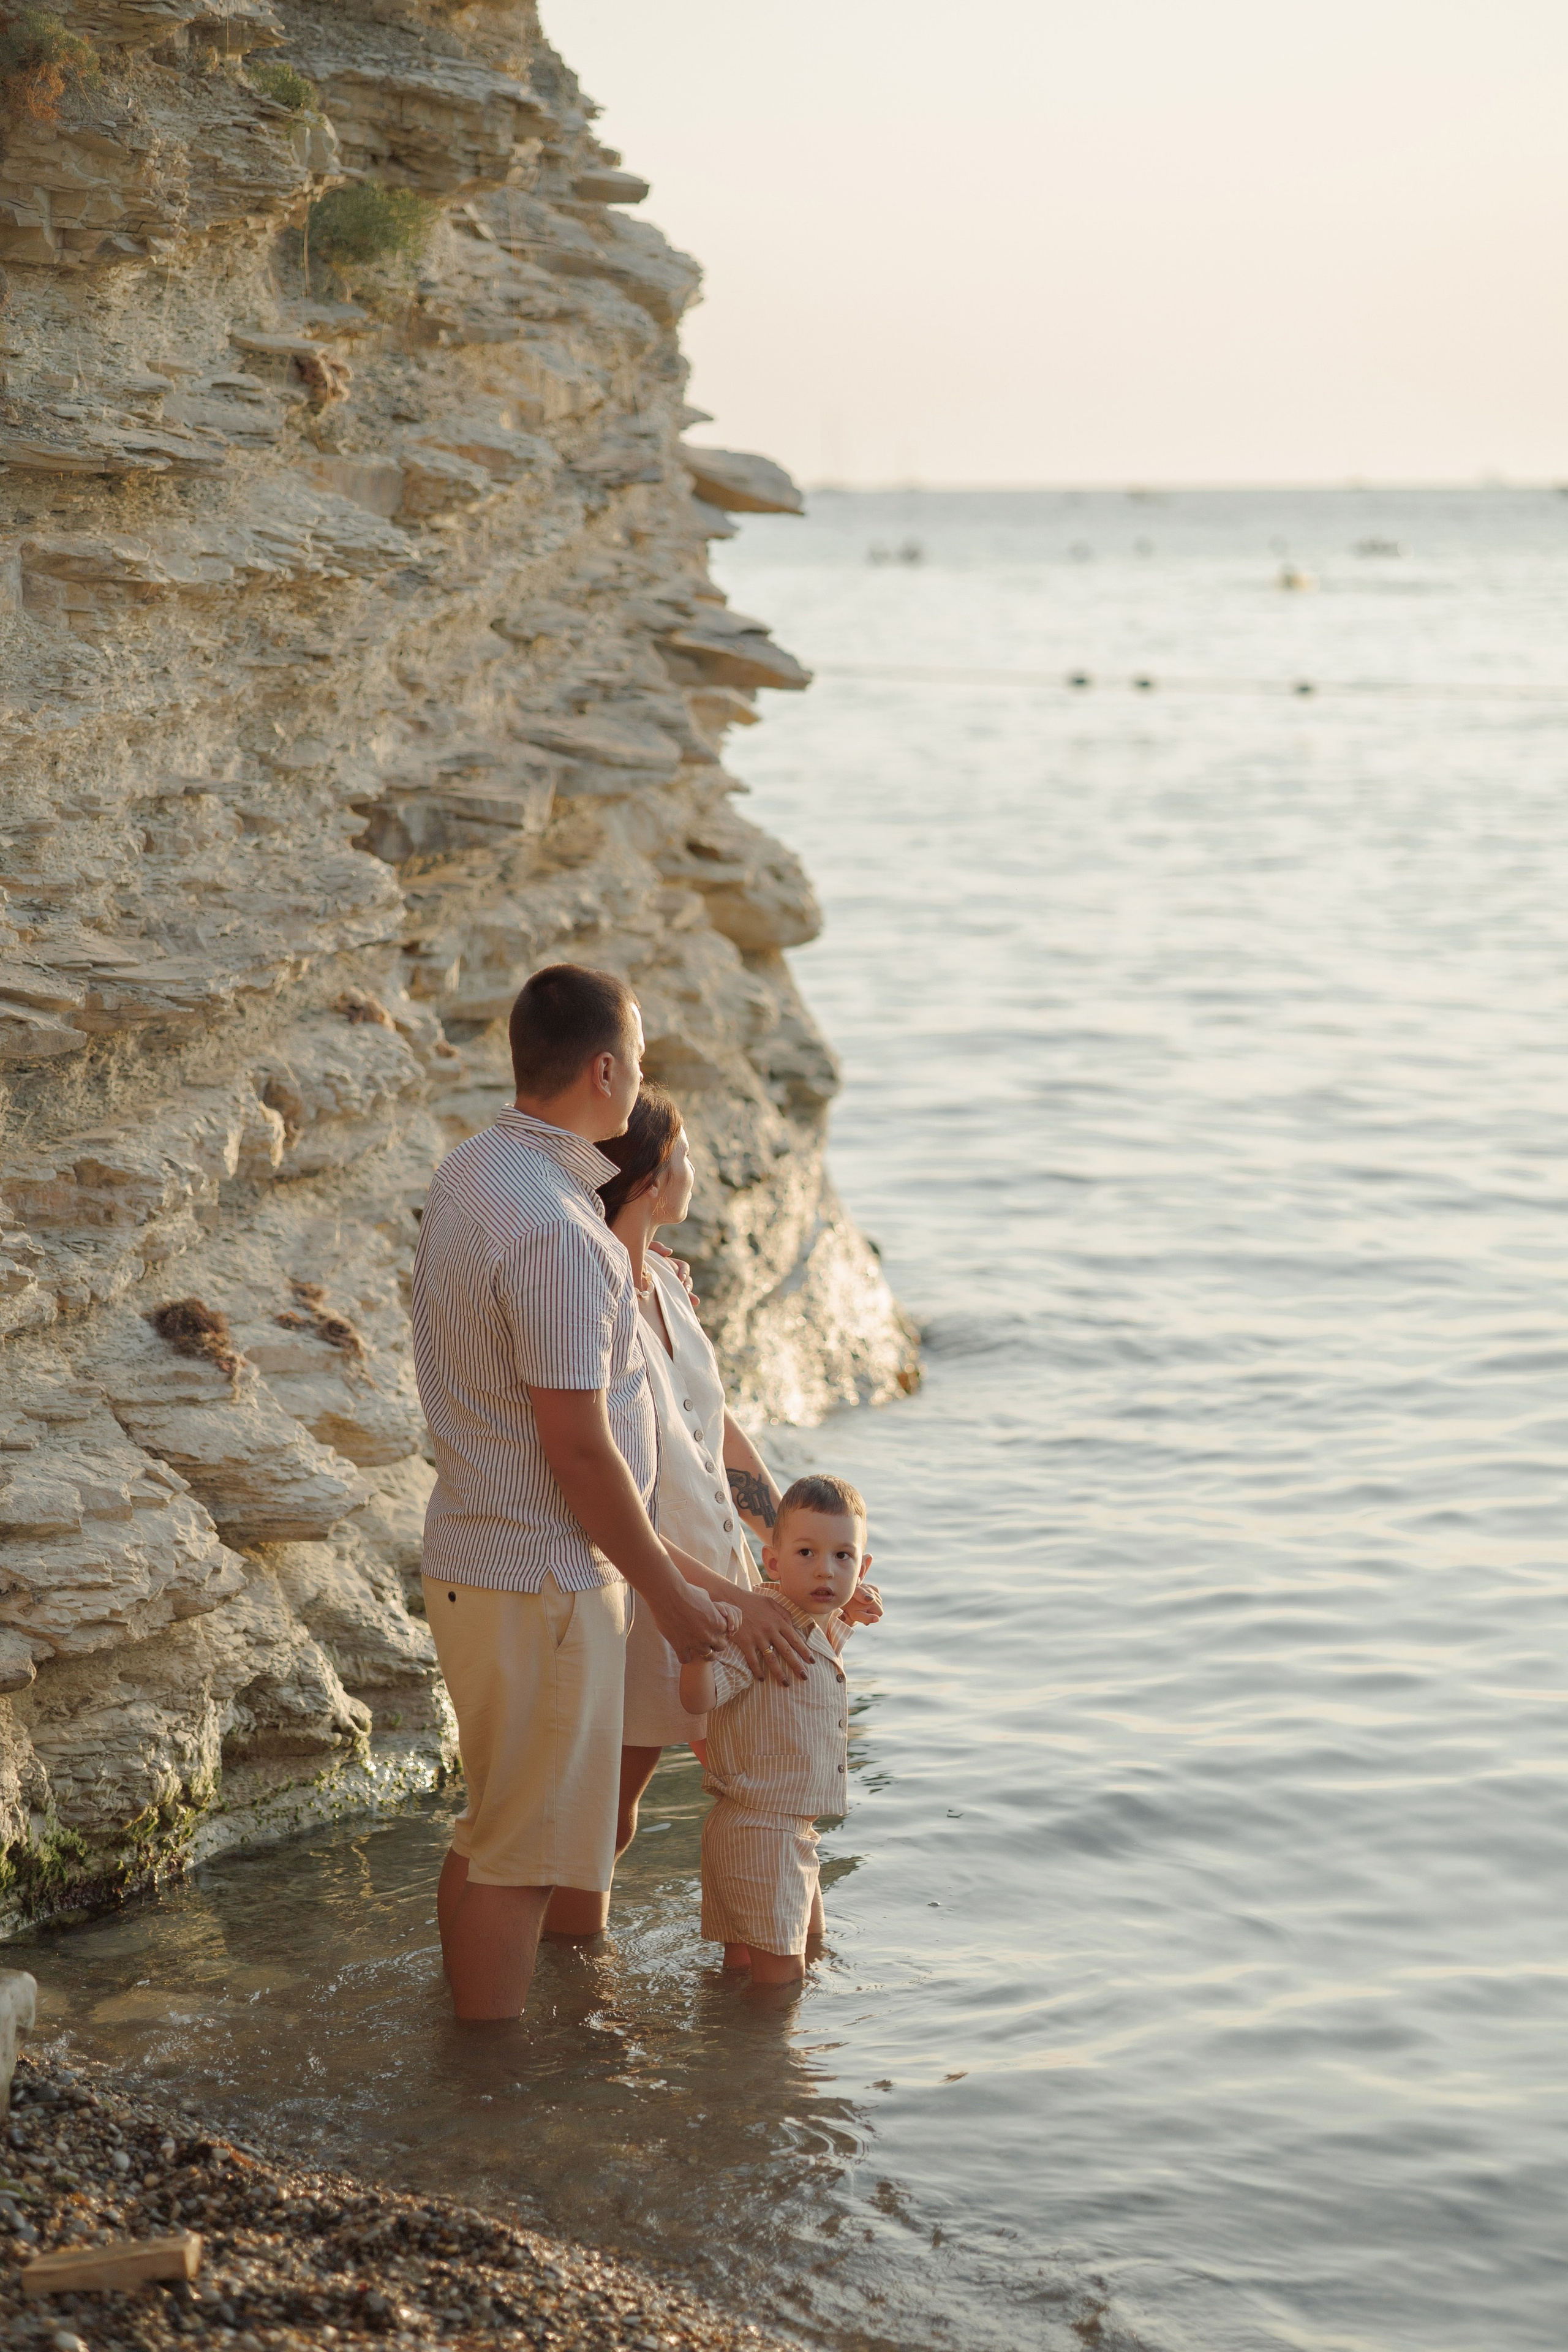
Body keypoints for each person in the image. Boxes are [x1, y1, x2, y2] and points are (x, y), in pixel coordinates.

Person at [411, 963, 748, 2022]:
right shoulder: (561, 1229)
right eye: (639, 1063)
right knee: (515, 1853)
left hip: (484, 1554)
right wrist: (674, 1598)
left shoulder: (475, 1168)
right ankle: (495, 2095)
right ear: (606, 1071)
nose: (640, 1080)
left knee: (500, 1830)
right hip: (542, 1579)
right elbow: (582, 1449)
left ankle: (503, 2054)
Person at [541, 1087, 837, 1938]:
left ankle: (779, 1964)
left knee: (774, 1786)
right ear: (651, 1180)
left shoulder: (667, 1284)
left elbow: (718, 1426)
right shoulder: (594, 1301)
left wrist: (792, 1546)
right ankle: (580, 1985)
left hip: (733, 1580)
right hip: (653, 1591)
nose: (695, 1169)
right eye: (684, 1153)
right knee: (613, 1811)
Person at [680, 1473, 875, 1987]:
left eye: (843, 1557)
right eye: (807, 1553)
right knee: (782, 1982)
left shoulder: (817, 1621)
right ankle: (775, 2068)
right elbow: (698, 1701)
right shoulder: (760, 1632)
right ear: (772, 1561)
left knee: (763, 1963)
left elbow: (830, 1626)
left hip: (786, 1830)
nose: (825, 1571)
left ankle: (726, 2052)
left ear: (862, 1566)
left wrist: (855, 1601)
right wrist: (697, 1653)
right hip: (760, 1830)